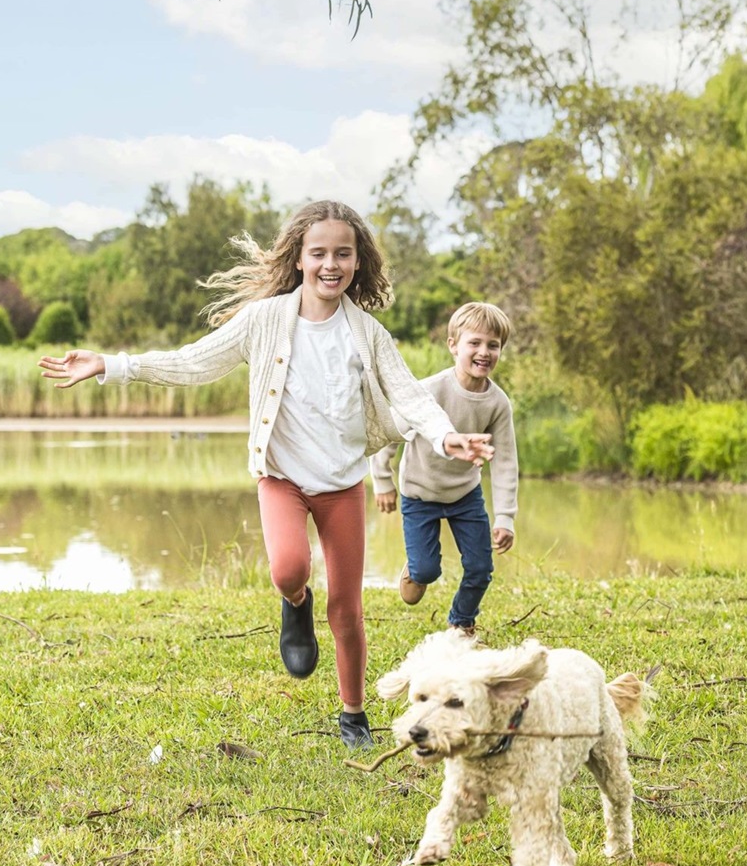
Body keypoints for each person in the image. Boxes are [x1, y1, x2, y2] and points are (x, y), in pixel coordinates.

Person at [39, 200, 494, 750]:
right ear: (299, 258)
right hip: (281, 477)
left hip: (343, 482)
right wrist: (113, 364)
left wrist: (446, 435)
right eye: (319, 253)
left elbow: (407, 395)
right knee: (288, 569)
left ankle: (353, 714)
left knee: (347, 609)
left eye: (343, 254)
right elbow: (194, 362)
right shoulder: (264, 321)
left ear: (358, 261)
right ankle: (294, 605)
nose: (331, 264)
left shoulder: (367, 333)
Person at [370, 302, 518, 634]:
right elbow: (389, 434)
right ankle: (416, 568)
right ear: (453, 345)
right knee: (425, 573)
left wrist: (506, 516)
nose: (484, 352)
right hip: (420, 494)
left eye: (493, 345)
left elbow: (506, 460)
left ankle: (461, 624)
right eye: (475, 343)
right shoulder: (429, 391)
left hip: (465, 495)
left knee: (481, 568)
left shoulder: (497, 404)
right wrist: (382, 481)